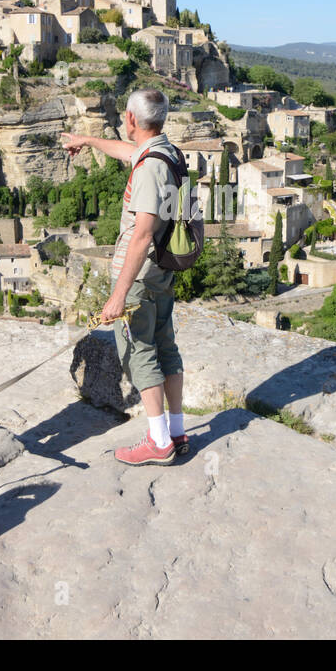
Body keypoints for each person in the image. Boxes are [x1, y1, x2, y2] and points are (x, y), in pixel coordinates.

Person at [61, 88, 188, 465]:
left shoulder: (149, 168)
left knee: (139, 354)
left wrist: (118, 295)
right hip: (161, 271)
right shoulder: (166, 153)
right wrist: (88, 140)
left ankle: (159, 442)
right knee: (165, 347)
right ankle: (177, 432)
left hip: (139, 277)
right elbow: (125, 151)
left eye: (124, 116)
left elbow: (142, 235)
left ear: (132, 119)